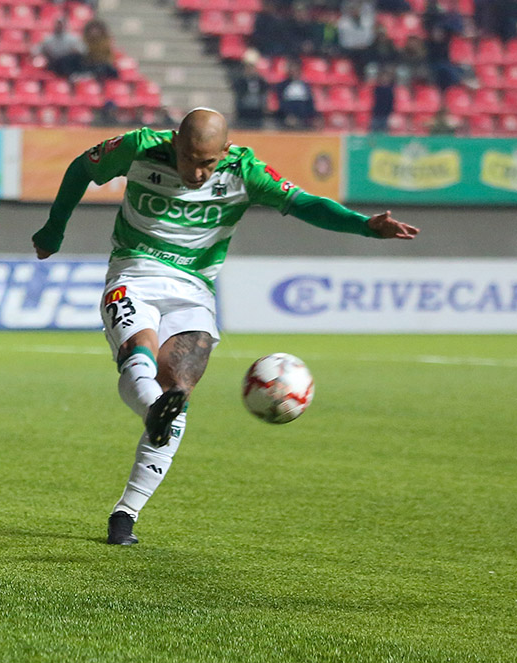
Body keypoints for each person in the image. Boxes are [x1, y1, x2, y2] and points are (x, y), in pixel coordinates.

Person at [31, 108, 419, 545]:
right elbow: (82, 166)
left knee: (177, 396)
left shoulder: (246, 170)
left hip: (194, 293)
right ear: (175, 141)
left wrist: (364, 226)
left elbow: (305, 203)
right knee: (138, 355)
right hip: (133, 274)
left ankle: (126, 513)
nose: (197, 172)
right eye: (189, 158)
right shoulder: (140, 147)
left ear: (225, 151)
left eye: (207, 162)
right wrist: (54, 228)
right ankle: (149, 421)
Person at [274, 59, 318, 129]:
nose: (295, 72)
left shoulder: (305, 85)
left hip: (304, 119)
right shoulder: (282, 85)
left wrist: (313, 117)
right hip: (287, 118)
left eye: (296, 69)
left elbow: (310, 103)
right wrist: (287, 116)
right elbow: (280, 103)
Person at [231, 50, 269, 129]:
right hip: (244, 112)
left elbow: (264, 94)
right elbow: (238, 93)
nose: (250, 70)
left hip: (257, 113)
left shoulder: (261, 82)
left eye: (252, 67)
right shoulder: (240, 81)